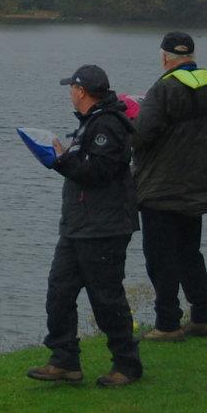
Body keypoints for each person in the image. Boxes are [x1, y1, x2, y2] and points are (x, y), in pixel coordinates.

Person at [27, 64, 142, 387]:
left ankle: (127, 364)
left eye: (72, 88)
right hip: (78, 226)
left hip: (103, 227)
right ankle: (64, 360)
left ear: (81, 91)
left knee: (107, 298)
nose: (69, 93)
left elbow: (100, 172)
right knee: (59, 291)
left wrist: (60, 160)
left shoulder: (108, 125)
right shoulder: (91, 123)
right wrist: (63, 156)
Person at [132, 32, 207, 341]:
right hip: (197, 185)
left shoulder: (163, 89)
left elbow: (140, 137)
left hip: (162, 187)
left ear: (164, 58)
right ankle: (204, 315)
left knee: (160, 257)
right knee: (189, 252)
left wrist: (130, 117)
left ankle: (167, 323)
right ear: (192, 56)